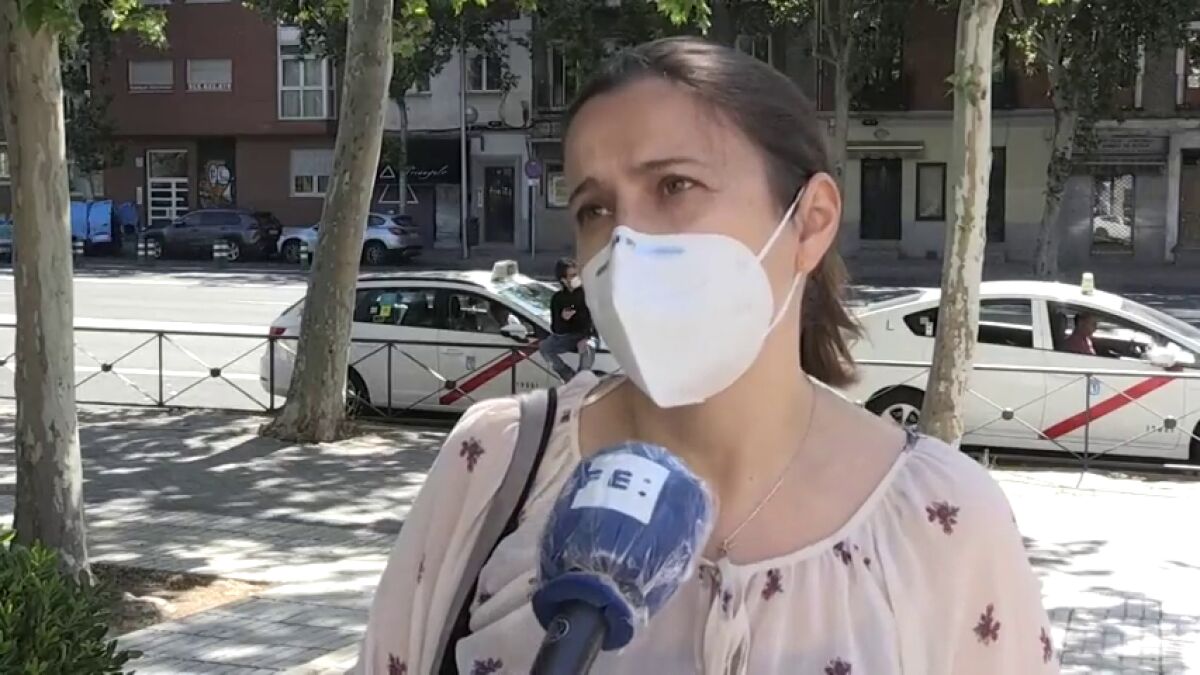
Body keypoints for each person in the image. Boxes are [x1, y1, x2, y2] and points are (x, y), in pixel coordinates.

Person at [357, 38, 1055, 674]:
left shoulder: (942, 518)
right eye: (595, 208)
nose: (626, 242)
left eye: (674, 186)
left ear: (810, 222)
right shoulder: (497, 463)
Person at [539, 257, 596, 381]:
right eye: (572, 275)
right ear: (563, 280)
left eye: (577, 274)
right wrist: (563, 318)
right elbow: (556, 328)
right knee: (545, 347)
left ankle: (581, 378)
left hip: (586, 335)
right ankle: (568, 375)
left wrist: (587, 336)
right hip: (567, 337)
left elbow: (594, 319)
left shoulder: (587, 293)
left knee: (587, 347)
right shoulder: (558, 298)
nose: (577, 278)